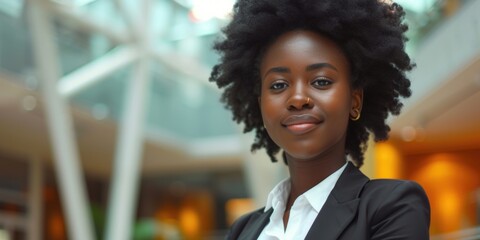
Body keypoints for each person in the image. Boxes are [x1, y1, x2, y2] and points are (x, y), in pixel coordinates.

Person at [209, 0, 431, 239]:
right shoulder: (243, 230)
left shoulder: (391, 208)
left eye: (321, 81)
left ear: (354, 101)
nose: (297, 98)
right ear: (261, 104)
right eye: (279, 85)